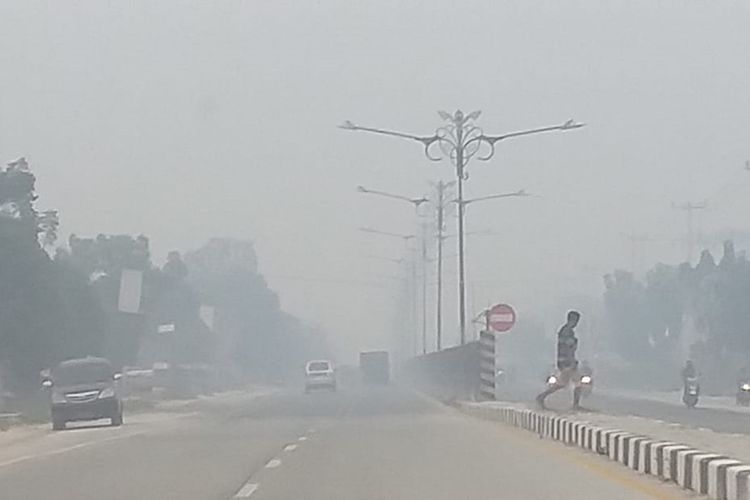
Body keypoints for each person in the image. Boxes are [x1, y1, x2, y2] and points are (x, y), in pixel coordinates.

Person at [536, 310, 582, 410]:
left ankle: (541, 397)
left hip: (564, 361)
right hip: (567, 362)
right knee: (578, 382)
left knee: (561, 384)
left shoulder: (565, 330)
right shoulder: (567, 332)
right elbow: (567, 348)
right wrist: (572, 361)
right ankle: (576, 405)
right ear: (572, 320)